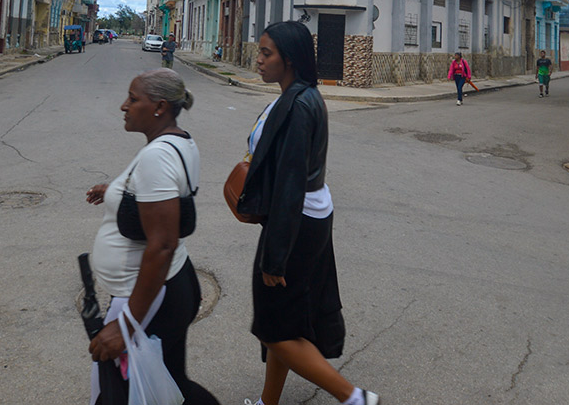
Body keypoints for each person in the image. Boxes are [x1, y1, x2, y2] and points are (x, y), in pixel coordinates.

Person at [238, 21, 380, 405]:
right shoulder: (299, 96)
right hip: (305, 217)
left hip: (296, 222)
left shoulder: (298, 105)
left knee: (274, 329)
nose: (259, 60)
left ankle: (355, 399)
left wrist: (275, 258)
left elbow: (289, 184)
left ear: (290, 59)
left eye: (266, 53)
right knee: (282, 323)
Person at [85, 69, 219, 405]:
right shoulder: (177, 141)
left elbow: (161, 244)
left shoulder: (157, 156)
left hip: (152, 295)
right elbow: (157, 194)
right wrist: (115, 190)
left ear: (159, 107)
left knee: (128, 392)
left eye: (132, 99)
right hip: (173, 285)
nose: (123, 106)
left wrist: (127, 324)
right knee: (168, 382)